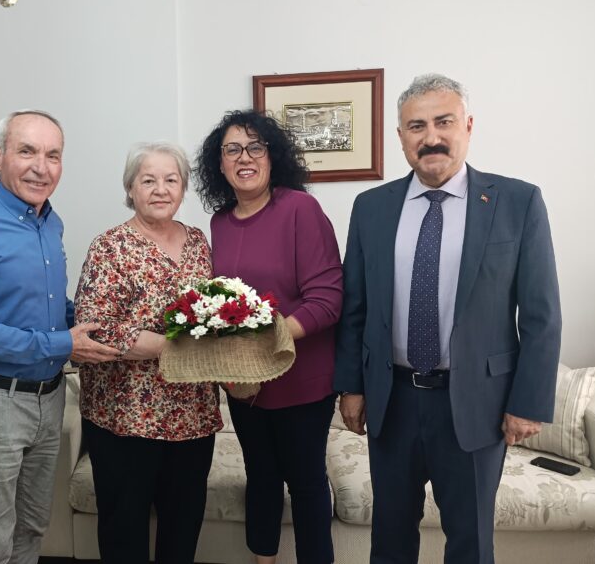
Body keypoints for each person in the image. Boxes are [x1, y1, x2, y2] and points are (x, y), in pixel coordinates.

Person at [334, 74, 562, 564]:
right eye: (417, 126)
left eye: (444, 122)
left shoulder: (518, 202)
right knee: (390, 539)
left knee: (471, 542)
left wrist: (528, 403)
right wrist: (351, 386)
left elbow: (541, 315)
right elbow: (355, 306)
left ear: (468, 126)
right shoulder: (371, 207)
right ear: (401, 137)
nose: (431, 137)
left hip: (477, 403)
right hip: (392, 400)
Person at [0, 110, 121, 564]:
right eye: (27, 151)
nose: (41, 167)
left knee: (33, 527)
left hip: (49, 397)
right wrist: (64, 344)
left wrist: (97, 322)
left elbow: (51, 308)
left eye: (53, 155)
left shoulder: (50, 223)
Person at [195, 110, 343, 564]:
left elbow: (328, 298)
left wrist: (267, 341)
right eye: (232, 150)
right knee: (259, 476)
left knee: (306, 483)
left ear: (272, 156)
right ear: (219, 164)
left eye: (255, 147)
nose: (245, 157)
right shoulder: (220, 222)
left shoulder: (300, 209)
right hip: (245, 385)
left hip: (302, 382)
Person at [74, 142, 222, 563]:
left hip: (192, 415)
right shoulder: (110, 247)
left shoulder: (198, 242)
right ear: (131, 188)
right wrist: (176, 347)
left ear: (183, 187)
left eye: (171, 180)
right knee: (124, 534)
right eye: (148, 180)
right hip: (125, 418)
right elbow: (96, 328)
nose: (161, 189)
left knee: (182, 530)